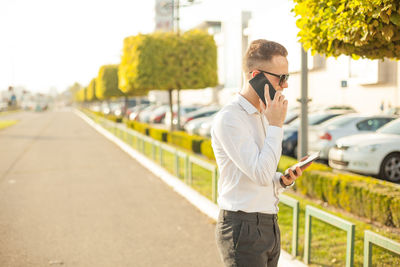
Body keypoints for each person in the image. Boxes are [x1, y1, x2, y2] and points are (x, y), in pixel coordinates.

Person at [211, 39, 312, 267]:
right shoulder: (230, 118)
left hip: (268, 225)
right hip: (242, 228)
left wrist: (282, 180)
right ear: (255, 75)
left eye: (288, 77)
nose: (285, 86)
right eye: (281, 78)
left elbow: (262, 175)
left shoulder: (265, 114)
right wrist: (276, 125)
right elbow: (260, 174)